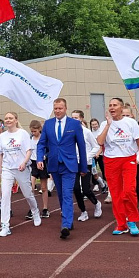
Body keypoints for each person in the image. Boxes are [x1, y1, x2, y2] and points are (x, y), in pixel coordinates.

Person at [96, 97, 139, 236]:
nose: (112, 107)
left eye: (115, 105)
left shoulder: (130, 123)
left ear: (121, 107)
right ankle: (121, 224)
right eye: (110, 105)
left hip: (128, 160)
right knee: (116, 194)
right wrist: (108, 125)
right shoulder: (104, 124)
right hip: (111, 161)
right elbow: (100, 141)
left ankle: (132, 220)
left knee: (129, 190)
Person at [37, 98, 86, 239]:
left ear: (66, 108)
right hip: (54, 164)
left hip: (69, 165)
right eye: (55, 108)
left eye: (60, 108)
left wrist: (83, 167)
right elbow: (41, 144)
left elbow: (81, 147)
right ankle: (68, 219)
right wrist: (40, 158)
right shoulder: (48, 124)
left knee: (66, 193)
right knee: (60, 194)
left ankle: (65, 224)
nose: (57, 111)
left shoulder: (75, 124)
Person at [0, 112, 41, 237]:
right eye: (6, 118)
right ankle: (5, 225)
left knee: (27, 194)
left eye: (11, 118)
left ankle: (35, 211)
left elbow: (28, 151)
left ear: (16, 120)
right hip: (7, 168)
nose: (8, 120)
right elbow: (1, 154)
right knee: (5, 196)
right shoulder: (2, 136)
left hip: (21, 168)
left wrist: (24, 162)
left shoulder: (22, 133)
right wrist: (1, 170)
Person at [70, 111, 102, 222]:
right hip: (73, 164)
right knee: (76, 189)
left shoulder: (86, 132)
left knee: (86, 189)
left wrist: (87, 157)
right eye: (72, 117)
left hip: (85, 164)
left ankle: (96, 203)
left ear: (81, 119)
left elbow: (96, 147)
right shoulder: (69, 131)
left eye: (76, 117)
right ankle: (83, 211)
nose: (74, 119)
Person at [28, 120, 50, 219]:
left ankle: (45, 208)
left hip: (42, 163)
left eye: (35, 131)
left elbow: (48, 150)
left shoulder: (44, 139)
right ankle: (32, 208)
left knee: (44, 187)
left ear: (39, 129)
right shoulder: (29, 139)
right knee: (31, 187)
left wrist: (44, 157)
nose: (33, 133)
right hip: (32, 163)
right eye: (32, 131)